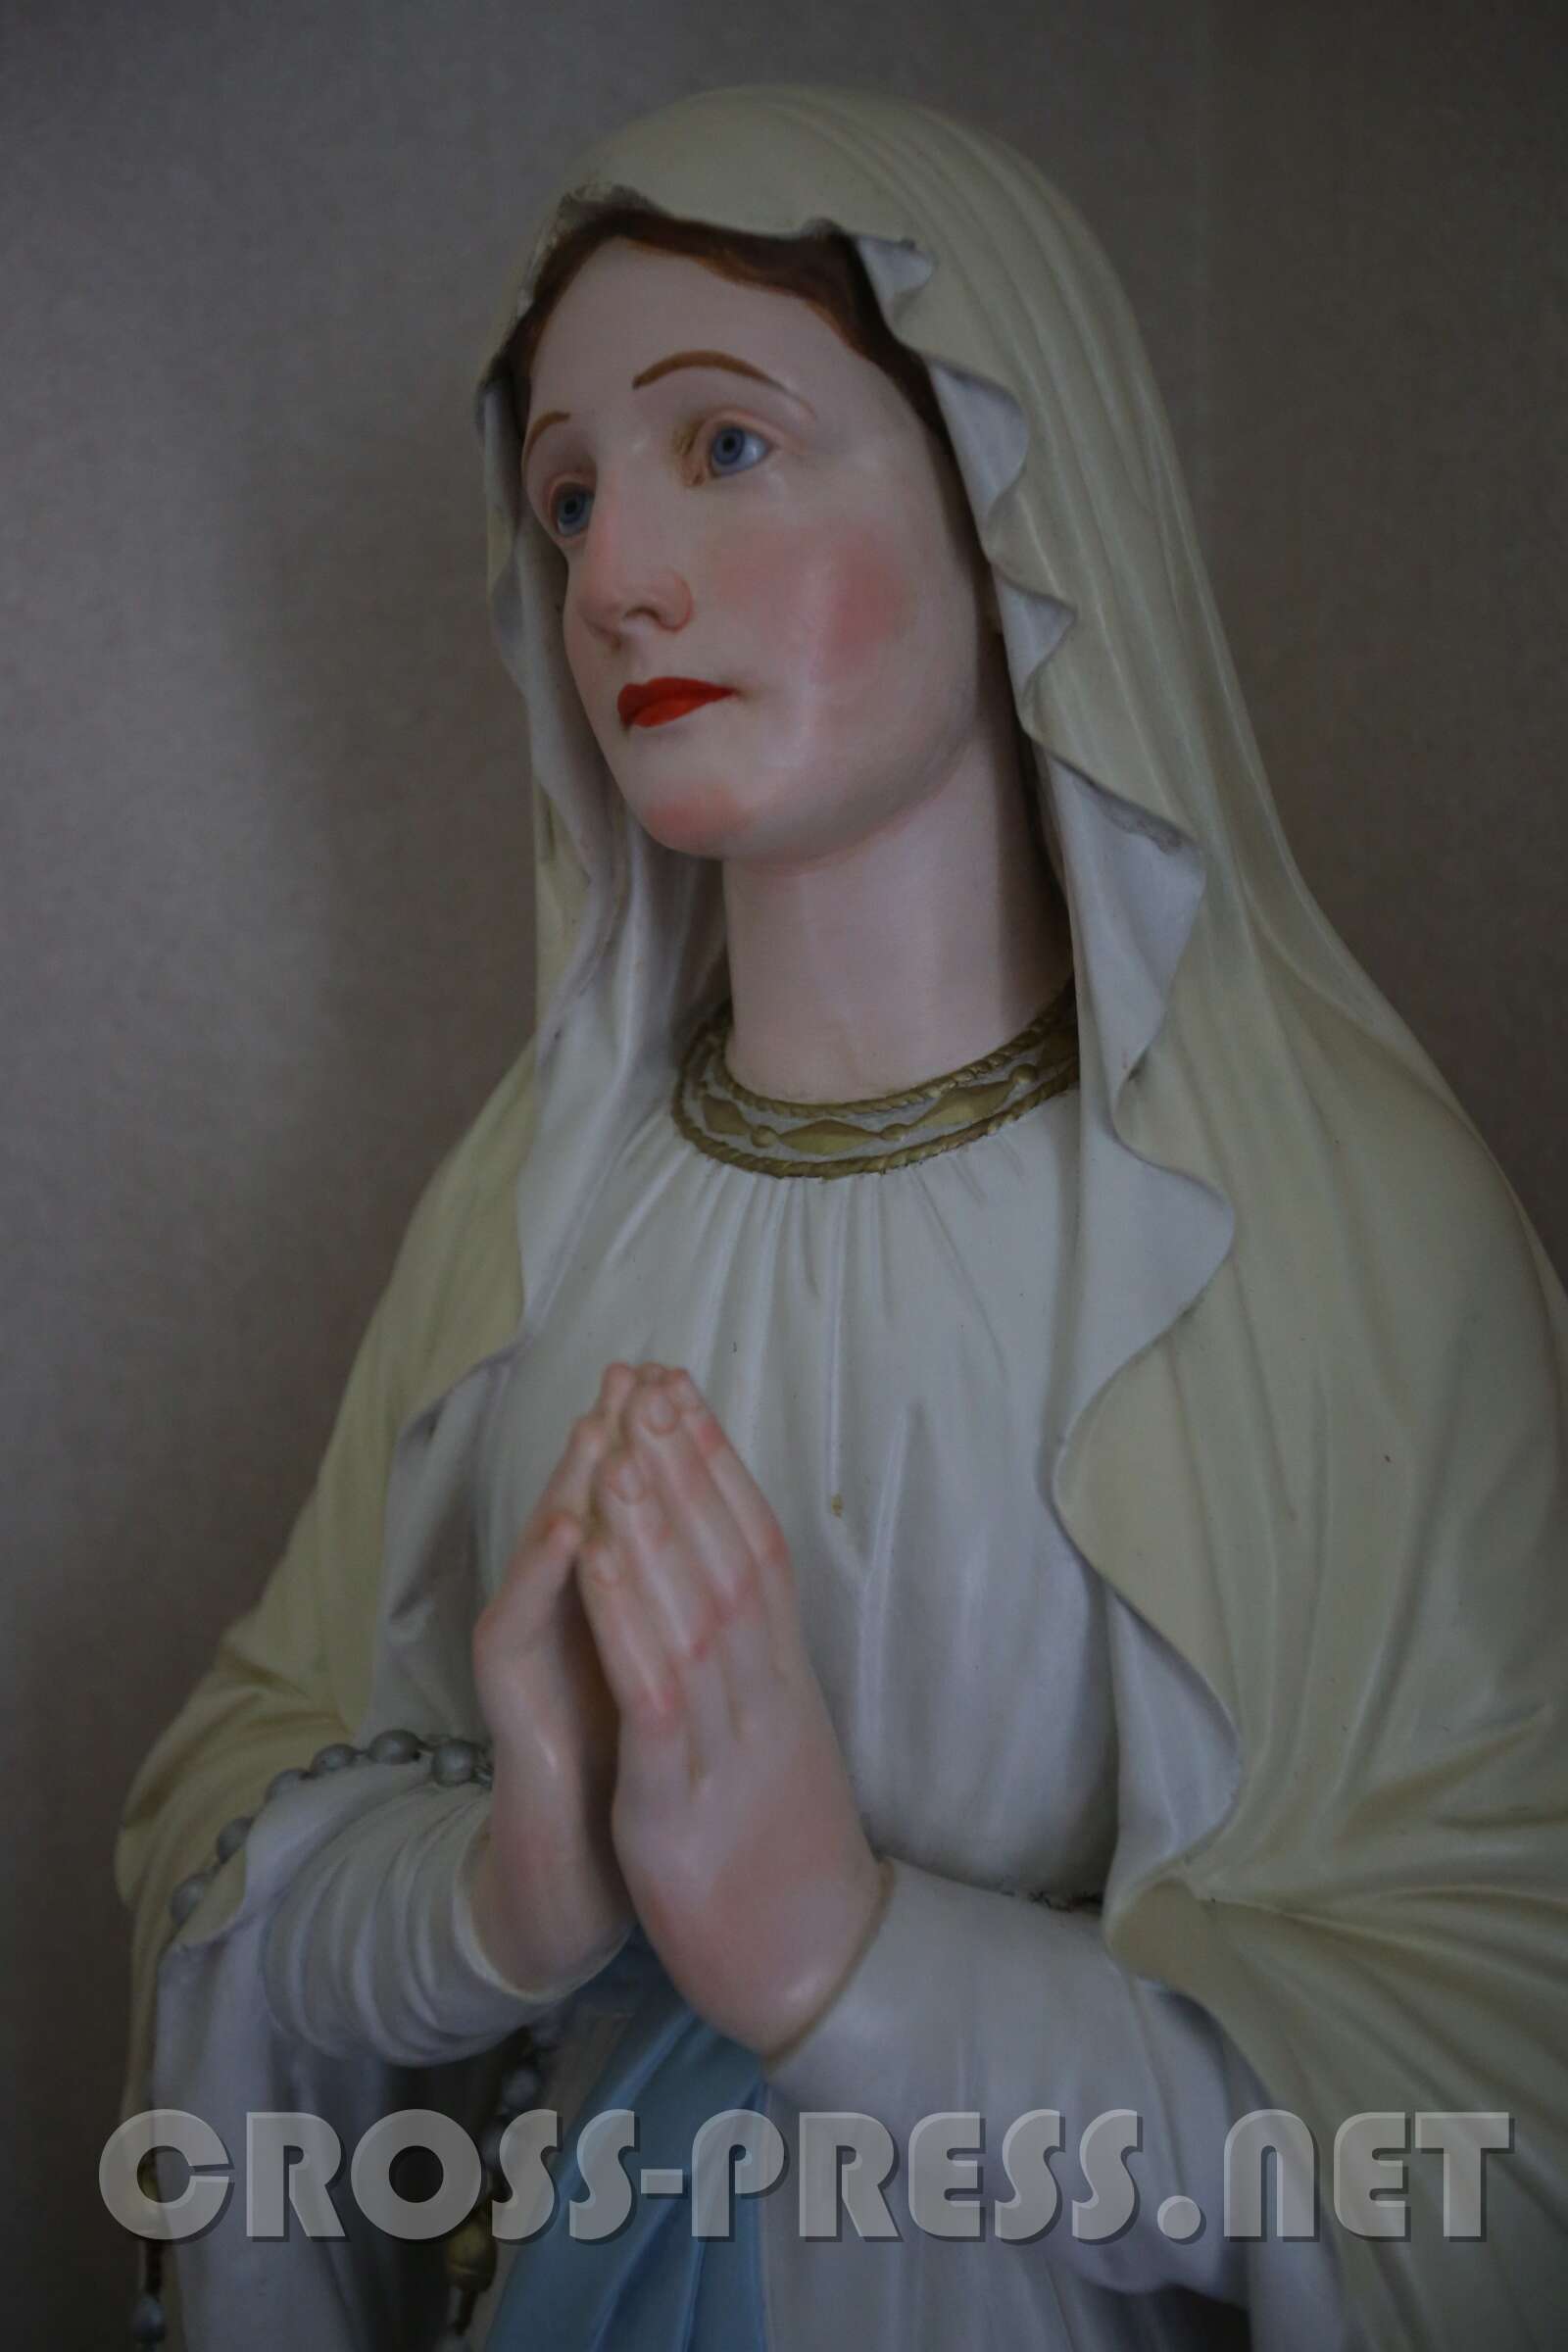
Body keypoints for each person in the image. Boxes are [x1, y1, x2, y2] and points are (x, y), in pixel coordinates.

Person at [116, 83, 1568, 2351]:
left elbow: (1494, 2092)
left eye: (725, 446)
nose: (614, 573)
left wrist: (840, 1961)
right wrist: (506, 1895)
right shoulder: (528, 1204)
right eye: (567, 495)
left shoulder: (1327, 1241)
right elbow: (239, 1816)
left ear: (1010, 498)